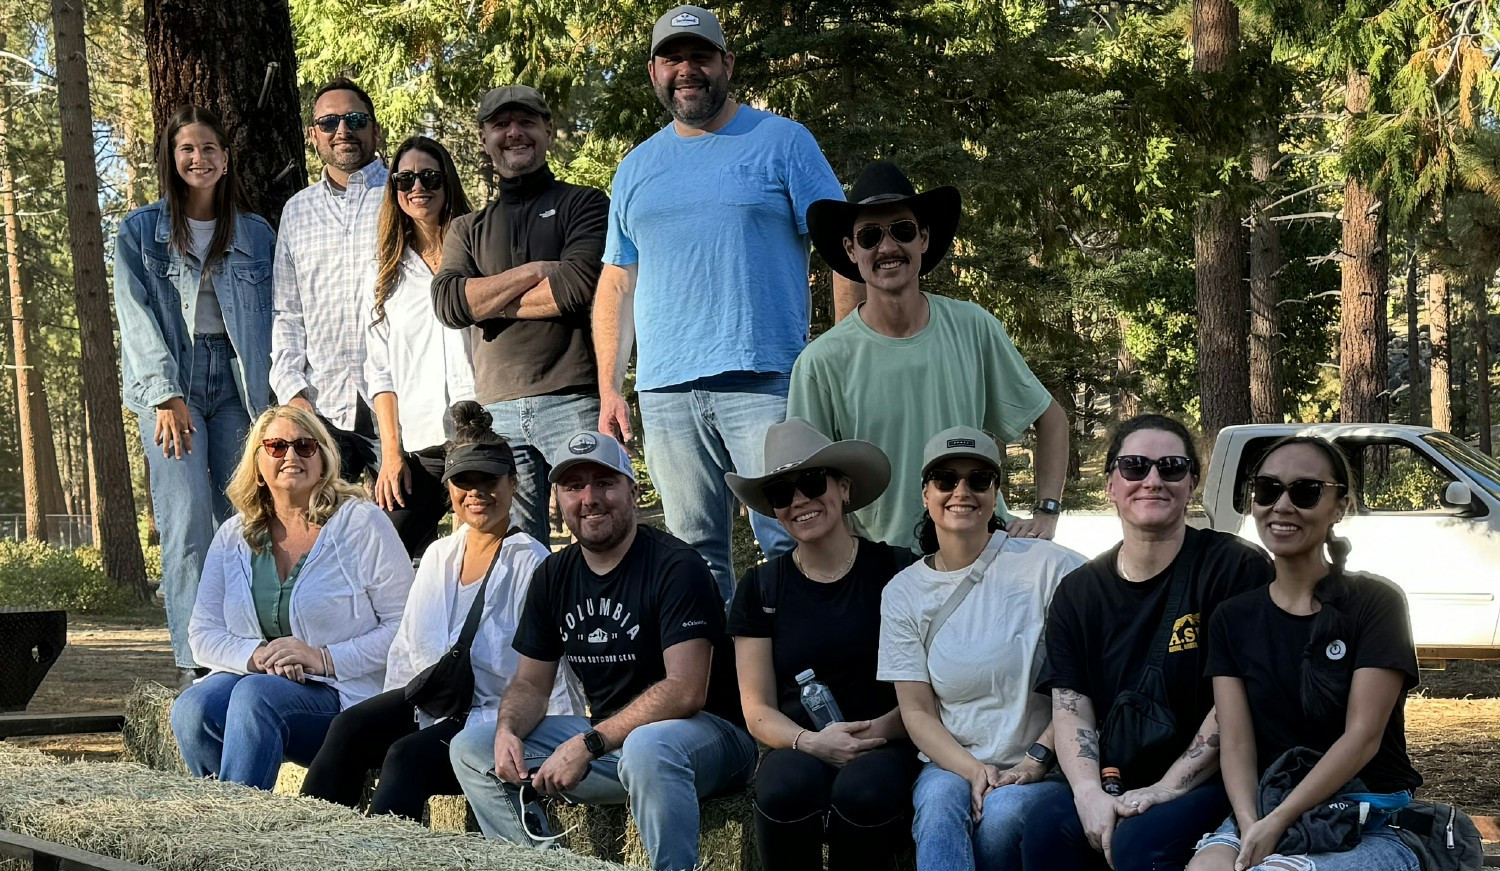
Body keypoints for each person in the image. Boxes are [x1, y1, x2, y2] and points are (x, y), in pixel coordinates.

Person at [593, 4, 851, 600]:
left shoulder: (783, 142)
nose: (687, 69)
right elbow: (617, 282)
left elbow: (843, 245)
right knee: (694, 557)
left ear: (726, 63)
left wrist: (841, 353)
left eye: (700, 56)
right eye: (673, 58)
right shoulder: (635, 168)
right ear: (654, 71)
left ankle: (802, 684)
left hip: (766, 382)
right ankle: (718, 691)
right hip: (666, 395)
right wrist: (612, 386)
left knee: (795, 539)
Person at [449, 430, 756, 871]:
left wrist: (589, 743)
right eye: (574, 486)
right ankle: (539, 865)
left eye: (604, 482)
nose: (589, 498)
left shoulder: (676, 566)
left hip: (708, 740)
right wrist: (507, 731)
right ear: (557, 500)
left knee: (649, 747)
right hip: (614, 746)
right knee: (471, 747)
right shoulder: (553, 574)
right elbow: (530, 684)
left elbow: (686, 690)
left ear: (632, 491)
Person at [301, 402, 582, 819]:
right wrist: (390, 709)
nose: (476, 492)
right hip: (435, 701)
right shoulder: (439, 554)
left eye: (488, 479)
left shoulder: (533, 563)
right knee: (348, 728)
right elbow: (406, 649)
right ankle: (303, 845)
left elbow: (552, 675)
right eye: (463, 481)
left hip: (493, 717)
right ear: (448, 489)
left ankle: (379, 860)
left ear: (513, 481)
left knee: (405, 758)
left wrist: (551, 754)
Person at [1023, 414, 1274, 871]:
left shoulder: (1236, 569)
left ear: (1192, 483)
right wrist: (1087, 793)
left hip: (1214, 778)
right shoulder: (1078, 592)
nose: (1153, 480)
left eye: (1172, 467)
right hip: (1114, 774)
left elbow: (1239, 699)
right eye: (1135, 467)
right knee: (1045, 826)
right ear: (1111, 486)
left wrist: (1170, 786)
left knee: (1142, 844)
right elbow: (1070, 703)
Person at [789, 161, 1069, 553]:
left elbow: (1051, 419)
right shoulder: (821, 363)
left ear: (923, 238)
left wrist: (1047, 512)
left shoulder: (974, 328)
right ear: (851, 250)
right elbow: (805, 485)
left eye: (901, 230)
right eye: (870, 236)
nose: (887, 247)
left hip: (981, 551)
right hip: (882, 567)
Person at [1188, 437, 1422, 871]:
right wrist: (1248, 824)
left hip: (1368, 815)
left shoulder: (1376, 603)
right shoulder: (1231, 617)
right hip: (1266, 806)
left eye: (1306, 491)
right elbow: (1236, 741)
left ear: (1340, 506)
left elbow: (1363, 737)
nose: (1282, 505)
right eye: (1268, 489)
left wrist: (1278, 822)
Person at [114, 105, 276, 689]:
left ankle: (249, 654)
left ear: (225, 159)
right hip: (171, 386)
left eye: (209, 148)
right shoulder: (139, 230)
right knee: (185, 525)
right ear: (172, 158)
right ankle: (195, 663)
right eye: (187, 149)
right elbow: (135, 319)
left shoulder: (256, 232)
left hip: (239, 386)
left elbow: (277, 318)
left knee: (245, 518)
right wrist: (165, 394)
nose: (198, 158)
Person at [170, 405, 413, 790]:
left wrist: (323, 659)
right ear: (258, 464)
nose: (291, 456)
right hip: (260, 679)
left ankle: (243, 835)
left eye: (304, 446)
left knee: (256, 697)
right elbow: (201, 634)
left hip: (346, 698)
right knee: (191, 709)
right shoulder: (233, 535)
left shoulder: (361, 523)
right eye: (276, 446)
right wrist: (256, 656)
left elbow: (405, 628)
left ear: (323, 459)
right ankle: (220, 827)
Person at [879, 426, 1086, 871]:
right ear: (925, 493)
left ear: (996, 493)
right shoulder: (903, 592)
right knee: (937, 802)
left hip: (1044, 765)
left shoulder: (1049, 565)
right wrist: (974, 770)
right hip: (952, 760)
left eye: (978, 479)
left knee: (1001, 819)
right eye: (945, 479)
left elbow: (1092, 673)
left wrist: (1037, 758)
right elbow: (916, 711)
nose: (961, 491)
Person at [724, 418, 921, 871]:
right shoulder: (761, 588)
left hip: (890, 737)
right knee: (781, 789)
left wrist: (870, 735)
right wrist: (810, 742)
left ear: (844, 488)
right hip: (801, 743)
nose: (799, 502)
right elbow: (757, 709)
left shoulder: (897, 570)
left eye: (812, 483)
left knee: (863, 791)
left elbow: (928, 685)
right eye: (781, 494)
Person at [431, 85, 609, 547]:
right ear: (484, 138)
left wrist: (483, 303)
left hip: (572, 397)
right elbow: (449, 304)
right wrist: (533, 271)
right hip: (496, 411)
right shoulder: (465, 228)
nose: (515, 133)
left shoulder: (584, 204)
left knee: (595, 526)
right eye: (501, 124)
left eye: (527, 122)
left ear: (547, 131)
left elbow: (577, 288)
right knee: (515, 548)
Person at [362, 135, 476, 557]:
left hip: (481, 428)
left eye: (429, 176)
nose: (417, 187)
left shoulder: (478, 248)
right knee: (383, 551)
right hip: (419, 442)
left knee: (480, 552)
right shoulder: (383, 273)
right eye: (404, 179)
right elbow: (380, 372)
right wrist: (391, 453)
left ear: (447, 182)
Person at [270, 77, 388, 482]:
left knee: (401, 537)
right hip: (324, 410)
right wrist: (293, 392)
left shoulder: (404, 195)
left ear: (375, 128)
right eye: (329, 122)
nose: (342, 130)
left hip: (400, 406)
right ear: (312, 135)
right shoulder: (296, 212)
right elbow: (287, 313)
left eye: (355, 119)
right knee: (322, 537)